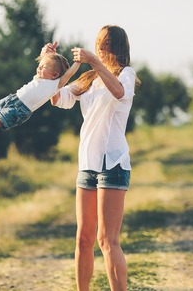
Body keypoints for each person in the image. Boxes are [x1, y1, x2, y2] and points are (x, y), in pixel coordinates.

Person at [44, 25, 139, 291]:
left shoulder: (125, 74)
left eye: (106, 43)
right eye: (98, 42)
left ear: (118, 46)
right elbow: (56, 97)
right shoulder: (87, 80)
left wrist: (95, 62)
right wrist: (49, 65)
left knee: (107, 241)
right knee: (83, 239)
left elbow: (121, 92)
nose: (100, 47)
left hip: (113, 163)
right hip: (87, 163)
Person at [0, 52, 80, 136]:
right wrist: (48, 52)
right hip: (13, 98)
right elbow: (43, 59)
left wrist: (78, 61)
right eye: (40, 66)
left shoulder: (55, 86)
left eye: (43, 67)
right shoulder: (39, 77)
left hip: (21, 109)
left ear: (55, 75)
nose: (39, 68)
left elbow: (68, 74)